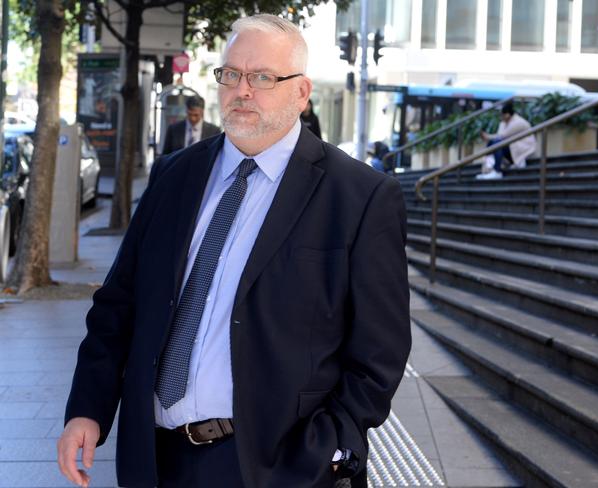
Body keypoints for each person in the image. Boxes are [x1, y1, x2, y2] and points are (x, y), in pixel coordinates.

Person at [58, 13, 410, 488]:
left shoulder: (359, 197)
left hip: (277, 466)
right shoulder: (173, 176)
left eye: (263, 77)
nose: (242, 90)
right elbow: (118, 306)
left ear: (301, 93)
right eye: (231, 74)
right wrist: (87, 410)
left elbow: (380, 351)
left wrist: (329, 446)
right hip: (157, 460)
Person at [477, 102, 536, 180]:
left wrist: (487, 136)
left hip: (522, 151)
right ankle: (488, 170)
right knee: (492, 143)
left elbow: (503, 136)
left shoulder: (519, 122)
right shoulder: (503, 123)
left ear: (507, 114)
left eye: (501, 115)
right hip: (511, 148)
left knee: (497, 143)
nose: (500, 117)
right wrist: (489, 138)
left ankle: (497, 171)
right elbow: (499, 136)